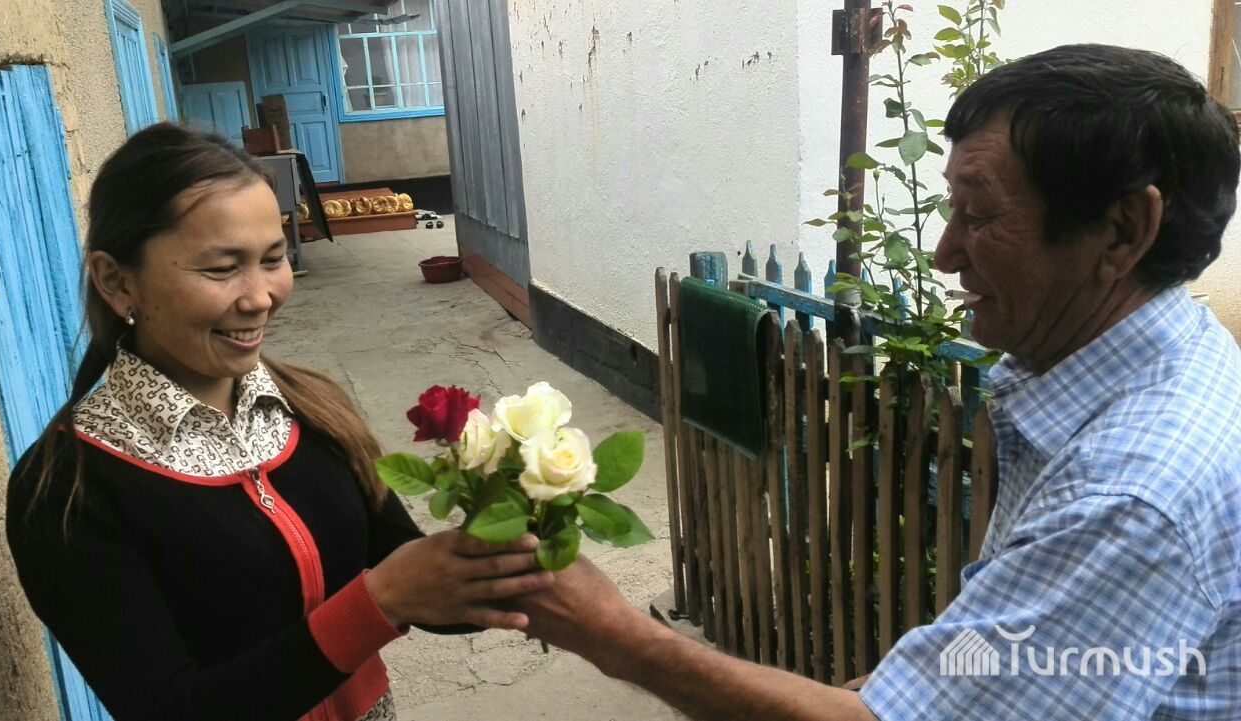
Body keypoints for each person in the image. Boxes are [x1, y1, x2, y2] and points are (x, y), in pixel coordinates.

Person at [517, 44, 1241, 720]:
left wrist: (616, 636)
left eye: (980, 213)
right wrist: (924, 683)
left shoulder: (1134, 495)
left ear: (1124, 230)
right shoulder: (1165, 354)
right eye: (951, 208)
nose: (945, 252)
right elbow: (1010, 650)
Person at [5, 123, 554, 721]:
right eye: (222, 269)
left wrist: (503, 557)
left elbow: (408, 571)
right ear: (117, 281)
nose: (260, 297)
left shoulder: (311, 408)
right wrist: (379, 603)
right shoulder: (66, 487)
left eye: (273, 260)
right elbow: (171, 708)